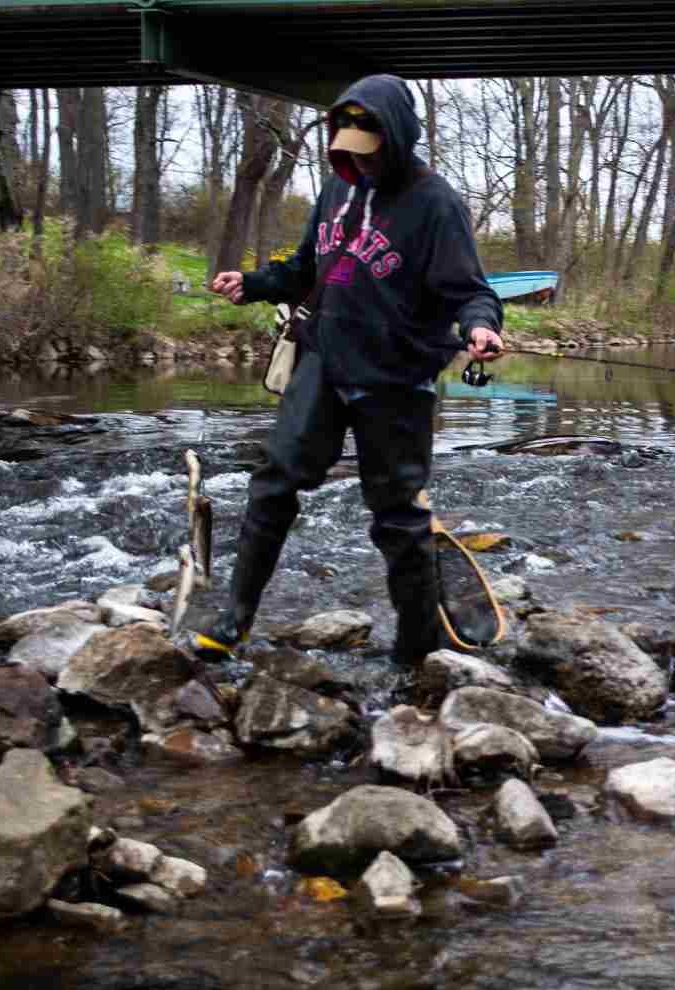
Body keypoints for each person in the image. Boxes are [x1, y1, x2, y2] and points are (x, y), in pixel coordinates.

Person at [196, 73, 504, 666]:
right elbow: (307, 265)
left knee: (397, 515)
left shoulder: (435, 203)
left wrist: (481, 328)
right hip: (324, 359)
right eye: (347, 152)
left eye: (369, 152)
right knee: (274, 483)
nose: (359, 163)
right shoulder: (336, 193)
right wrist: (255, 283)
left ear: (396, 138)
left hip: (396, 379)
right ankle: (235, 616)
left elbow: (471, 290)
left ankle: (418, 646)